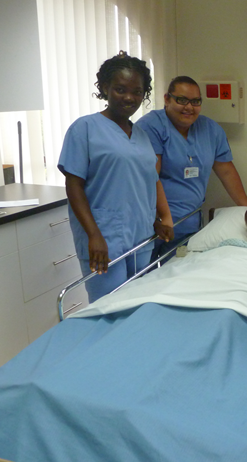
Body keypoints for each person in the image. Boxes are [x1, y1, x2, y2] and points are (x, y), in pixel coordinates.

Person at [58, 51, 174, 302]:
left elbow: (149, 180)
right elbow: (73, 186)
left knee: (135, 306)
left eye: (137, 91)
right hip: (104, 241)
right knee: (108, 310)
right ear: (105, 88)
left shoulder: (141, 135)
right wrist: (94, 235)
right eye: (120, 89)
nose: (129, 97)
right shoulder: (84, 128)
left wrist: (157, 219)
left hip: (141, 237)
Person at [136, 76, 247, 262]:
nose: (189, 107)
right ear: (167, 99)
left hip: (187, 222)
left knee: (175, 273)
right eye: (182, 100)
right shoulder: (151, 126)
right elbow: (150, 177)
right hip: (153, 222)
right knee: (141, 274)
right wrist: (160, 218)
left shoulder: (211, 129)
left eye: (196, 101)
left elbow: (226, 172)